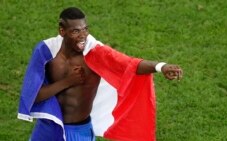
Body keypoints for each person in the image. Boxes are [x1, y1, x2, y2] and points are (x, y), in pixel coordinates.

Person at [18, 7, 183, 141]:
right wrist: (68, 81)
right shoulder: (46, 53)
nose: (82, 36)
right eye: (75, 31)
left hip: (79, 132)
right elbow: (34, 95)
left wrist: (161, 66)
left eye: (85, 30)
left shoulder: (95, 53)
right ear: (62, 31)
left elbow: (129, 65)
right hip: (48, 128)